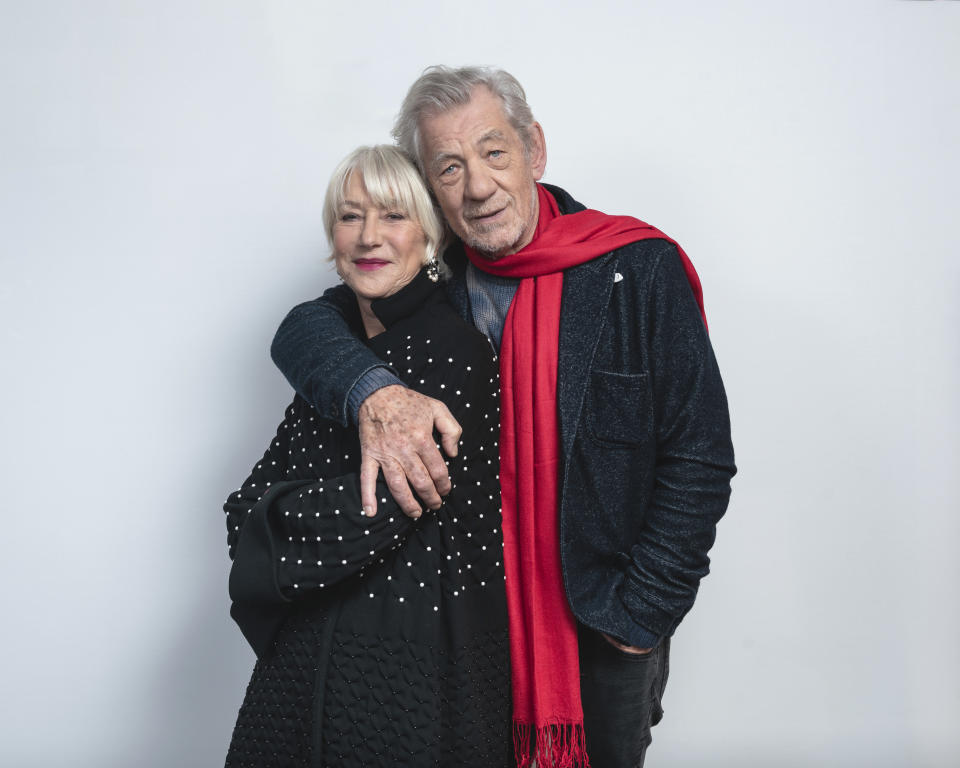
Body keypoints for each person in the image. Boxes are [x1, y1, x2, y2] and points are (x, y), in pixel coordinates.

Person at [271, 67, 737, 768]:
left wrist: (641, 614)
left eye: (494, 154)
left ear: (535, 151)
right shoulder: (428, 280)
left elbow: (699, 455)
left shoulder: (636, 270)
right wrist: (375, 391)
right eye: (449, 167)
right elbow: (304, 329)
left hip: (599, 619)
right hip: (470, 622)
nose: (479, 187)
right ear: (430, 187)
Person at [224, 145, 511, 767]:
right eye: (350, 217)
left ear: (430, 236)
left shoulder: (455, 353)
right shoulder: (340, 357)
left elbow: (375, 512)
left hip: (408, 674)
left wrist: (272, 518)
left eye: (393, 216)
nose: (368, 237)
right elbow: (238, 507)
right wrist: (271, 514)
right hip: (301, 669)